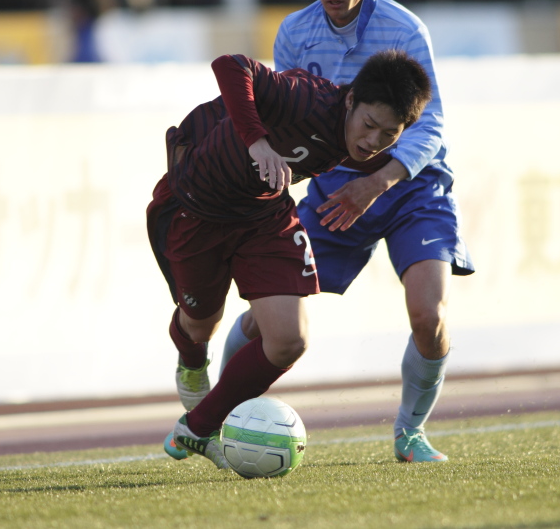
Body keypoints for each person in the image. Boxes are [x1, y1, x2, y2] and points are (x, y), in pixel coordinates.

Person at [218, 0, 474, 463]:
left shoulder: (405, 30)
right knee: (267, 320)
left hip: (410, 184)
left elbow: (429, 122)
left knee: (429, 315)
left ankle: (410, 433)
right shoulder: (295, 33)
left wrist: (379, 181)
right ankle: (223, 407)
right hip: (335, 188)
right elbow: (288, 121)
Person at [150, 50, 432, 467]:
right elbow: (230, 65)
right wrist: (257, 141)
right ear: (351, 101)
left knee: (289, 340)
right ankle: (192, 358)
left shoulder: (366, 142)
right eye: (369, 125)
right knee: (199, 325)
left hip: (263, 214)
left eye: (388, 135)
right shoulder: (309, 99)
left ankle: (198, 426)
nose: (373, 141)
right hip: (196, 208)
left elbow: (418, 146)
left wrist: (378, 184)